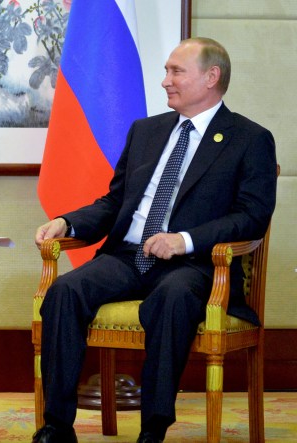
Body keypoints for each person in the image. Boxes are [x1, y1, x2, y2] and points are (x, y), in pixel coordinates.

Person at [32, 37, 277, 443]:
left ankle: (152, 429)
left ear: (211, 77)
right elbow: (115, 202)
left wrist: (185, 240)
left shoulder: (249, 139)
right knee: (65, 291)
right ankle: (57, 426)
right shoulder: (146, 131)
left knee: (172, 297)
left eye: (176, 71)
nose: (165, 81)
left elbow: (252, 217)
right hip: (128, 256)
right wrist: (68, 223)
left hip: (193, 265)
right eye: (166, 71)